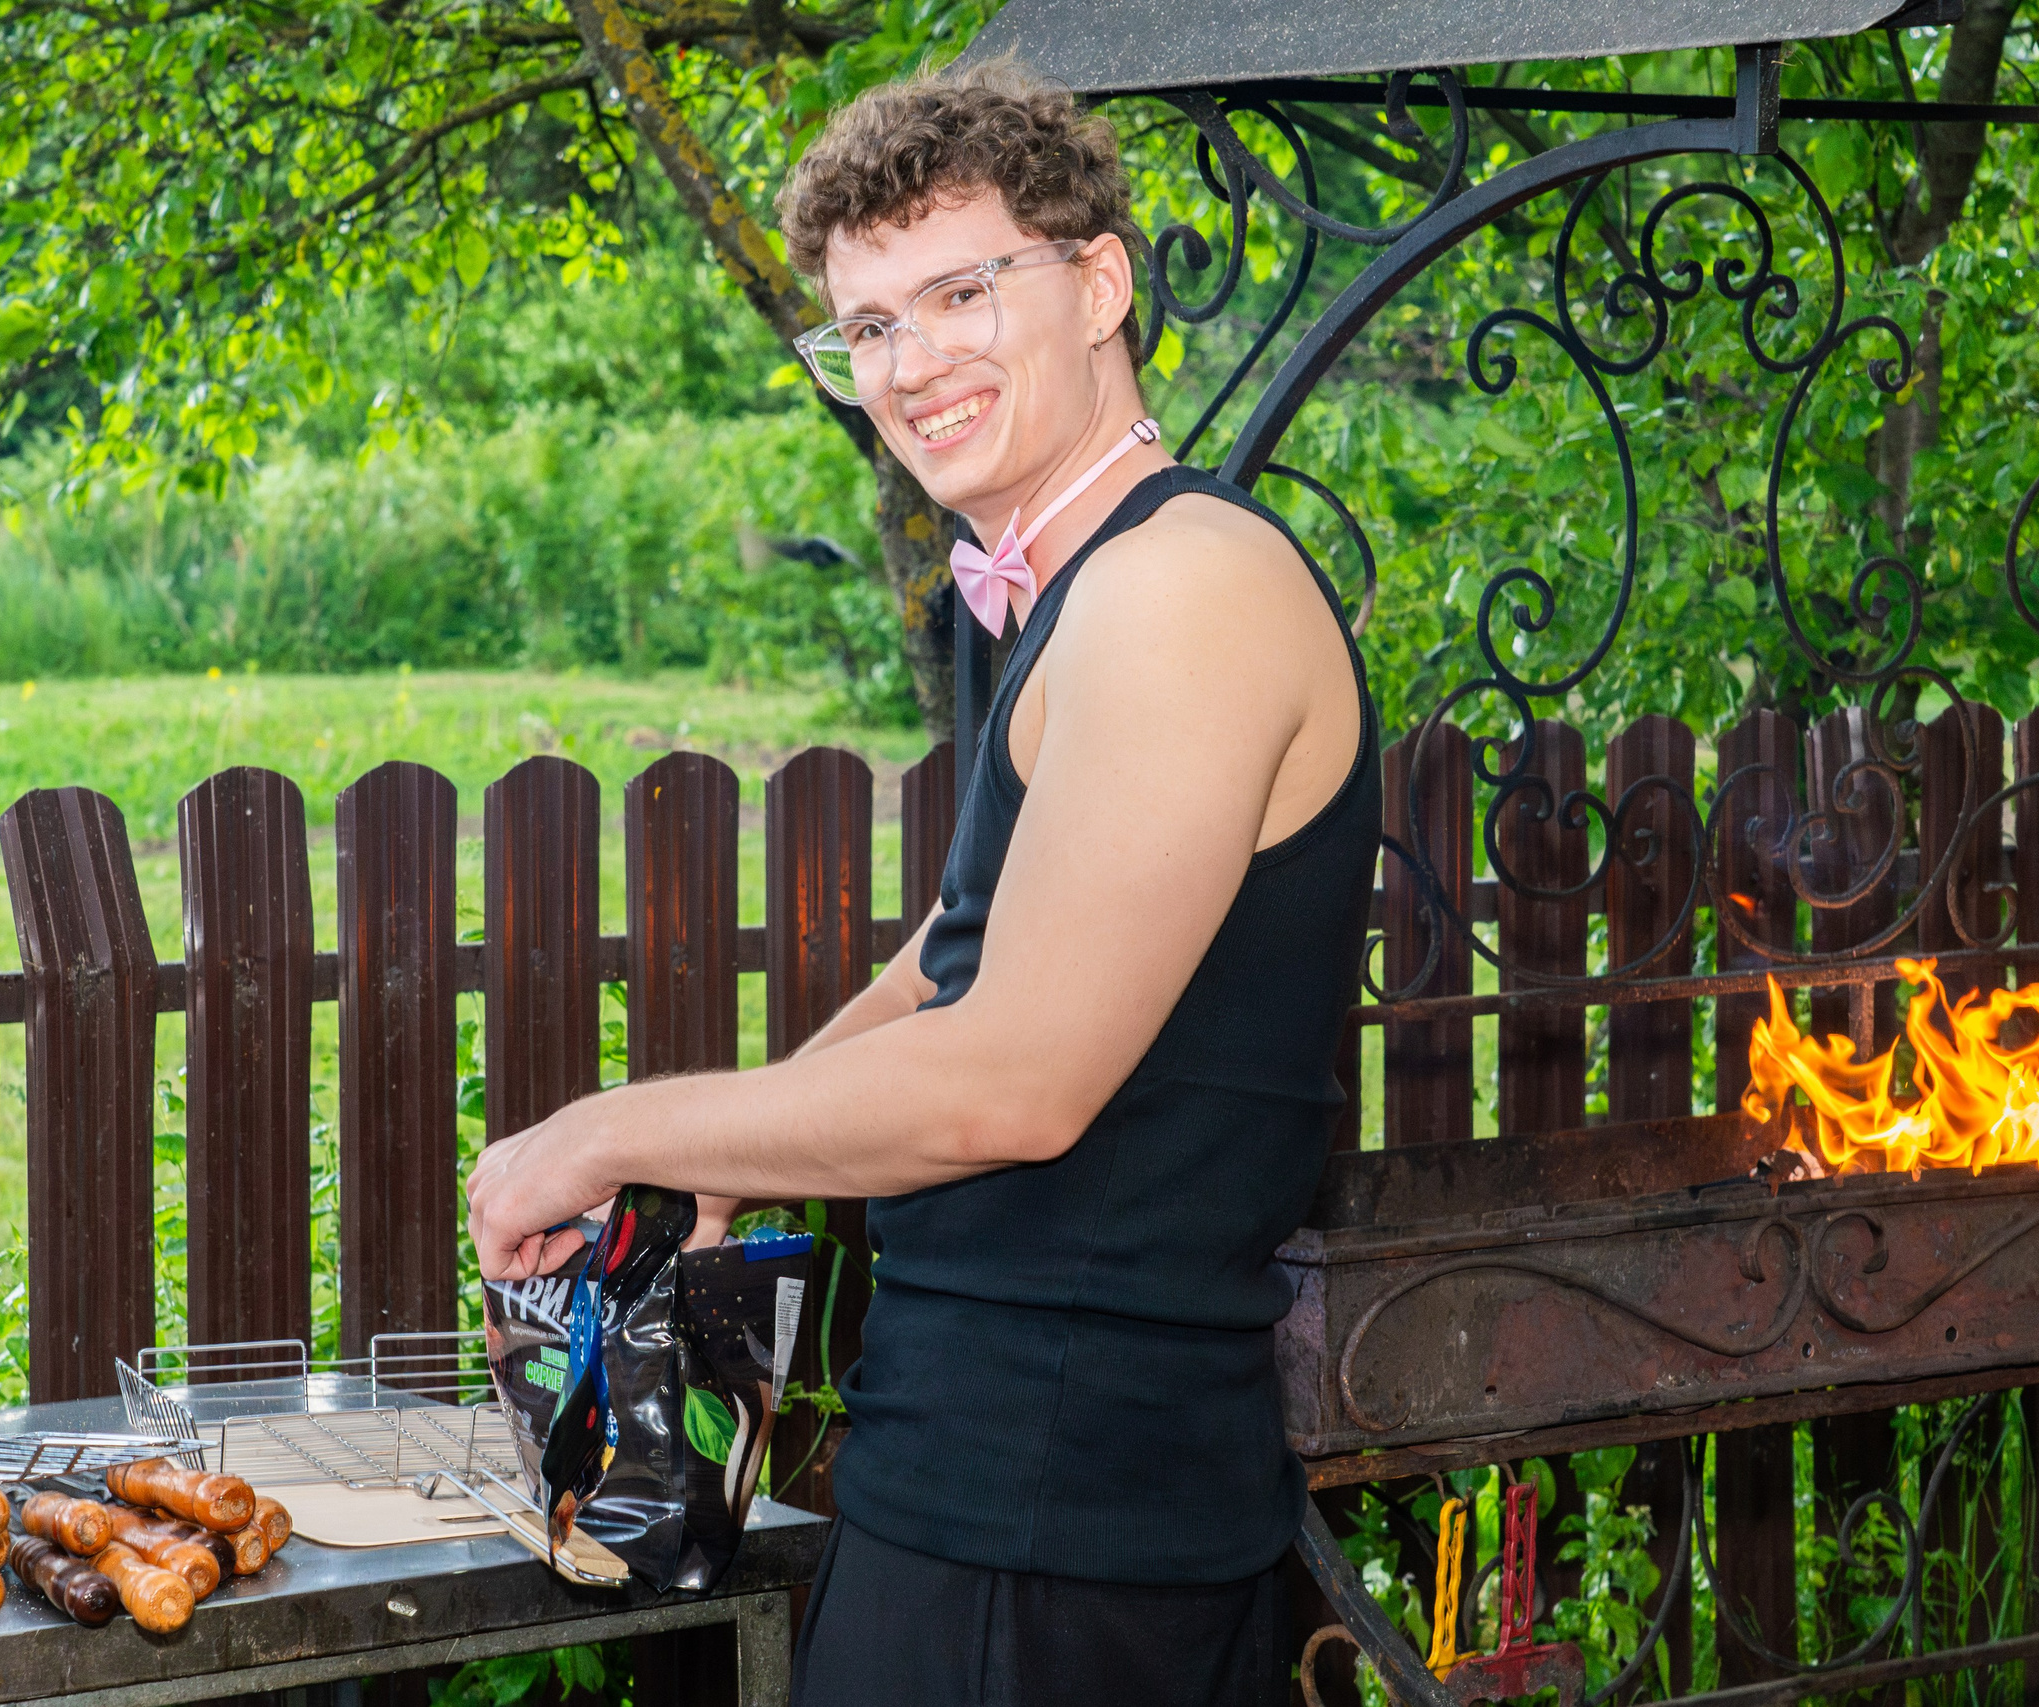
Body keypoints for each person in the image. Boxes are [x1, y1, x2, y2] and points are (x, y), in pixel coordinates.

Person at [466, 62, 1379, 1707]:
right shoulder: (1059, 601)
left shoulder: (1179, 593)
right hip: (985, 1494)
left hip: (1071, 1536)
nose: (912, 362)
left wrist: (614, 1129)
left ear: (1100, 283)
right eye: (869, 327)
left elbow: (1015, 1081)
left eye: (961, 291)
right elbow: (947, 965)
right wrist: (734, 1167)